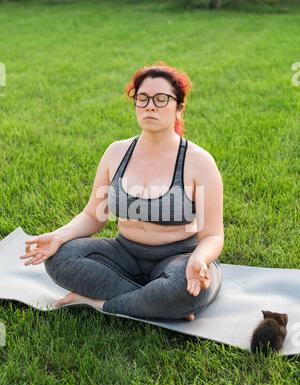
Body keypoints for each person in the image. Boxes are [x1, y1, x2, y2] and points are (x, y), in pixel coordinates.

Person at [19, 61, 224, 321]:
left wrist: (199, 260)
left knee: (188, 290)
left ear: (179, 108)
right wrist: (59, 236)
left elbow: (213, 235)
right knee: (59, 259)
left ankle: (97, 303)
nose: (150, 105)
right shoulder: (117, 152)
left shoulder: (198, 161)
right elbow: (94, 215)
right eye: (142, 98)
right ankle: (155, 301)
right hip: (124, 254)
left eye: (161, 99)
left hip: (179, 258)